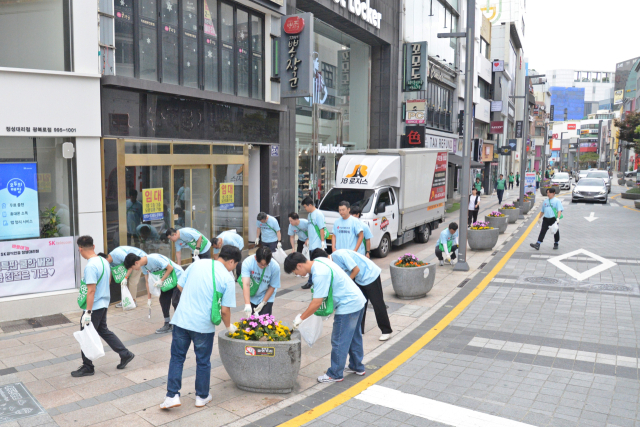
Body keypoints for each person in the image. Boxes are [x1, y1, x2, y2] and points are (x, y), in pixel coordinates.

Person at [160, 247, 240, 410]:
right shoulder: (227, 278)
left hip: (182, 320)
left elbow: (180, 287)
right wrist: (229, 327)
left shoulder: (197, 264)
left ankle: (172, 396)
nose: (234, 268)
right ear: (231, 261)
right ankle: (201, 397)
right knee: (203, 361)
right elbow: (225, 310)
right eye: (235, 264)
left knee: (177, 358)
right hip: (203, 326)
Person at [284, 252, 366, 383]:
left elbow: (316, 302)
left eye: (295, 271)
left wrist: (301, 319)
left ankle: (335, 374)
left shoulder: (319, 274)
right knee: (354, 337)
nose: (297, 275)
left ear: (299, 265)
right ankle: (357, 366)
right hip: (357, 300)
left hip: (348, 305)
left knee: (339, 340)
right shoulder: (319, 260)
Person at [72, 236, 134, 377]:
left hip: (94, 306)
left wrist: (87, 312)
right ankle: (125, 354)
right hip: (104, 303)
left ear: (80, 249)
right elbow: (109, 280)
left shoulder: (90, 266)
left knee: (86, 334)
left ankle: (88, 366)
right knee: (103, 330)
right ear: (93, 247)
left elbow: (91, 291)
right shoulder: (103, 261)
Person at [315, 249, 392, 341]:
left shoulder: (340, 255)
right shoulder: (332, 264)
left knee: (377, 304)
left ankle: (386, 331)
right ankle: (359, 331)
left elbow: (356, 269)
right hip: (359, 279)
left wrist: (347, 282)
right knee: (360, 304)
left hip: (370, 275)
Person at [125, 253, 185, 334]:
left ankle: (180, 324)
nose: (134, 270)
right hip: (167, 280)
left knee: (175, 301)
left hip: (177, 277)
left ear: (136, 263)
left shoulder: (154, 259)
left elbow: (170, 268)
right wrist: (149, 298)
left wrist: (161, 280)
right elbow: (147, 282)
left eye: (133, 268)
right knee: (163, 300)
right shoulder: (143, 266)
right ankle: (167, 324)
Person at [240, 247, 281, 317]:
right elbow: (246, 284)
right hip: (252, 294)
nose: (262, 266)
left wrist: (263, 302)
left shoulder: (275, 267)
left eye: (265, 265)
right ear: (255, 258)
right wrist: (247, 304)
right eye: (260, 264)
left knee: (264, 321)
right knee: (252, 322)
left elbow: (272, 286)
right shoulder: (247, 262)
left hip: (266, 295)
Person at [301, 196, 326, 289]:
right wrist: (308, 239)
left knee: (317, 264)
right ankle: (312, 282)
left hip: (318, 245)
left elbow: (321, 228)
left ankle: (312, 282)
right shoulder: (309, 215)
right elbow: (311, 229)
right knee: (312, 263)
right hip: (312, 244)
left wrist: (322, 242)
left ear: (310, 205)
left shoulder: (318, 214)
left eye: (305, 206)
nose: (305, 208)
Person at [288, 212, 312, 287]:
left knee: (307, 256)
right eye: (289, 221)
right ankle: (299, 271)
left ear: (296, 220)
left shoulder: (305, 223)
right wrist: (293, 248)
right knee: (298, 256)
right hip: (301, 240)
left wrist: (308, 240)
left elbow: (312, 232)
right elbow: (292, 237)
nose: (290, 222)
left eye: (291, 221)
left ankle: (306, 271)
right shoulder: (291, 226)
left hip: (309, 240)